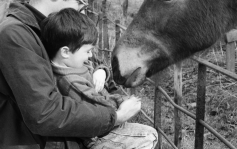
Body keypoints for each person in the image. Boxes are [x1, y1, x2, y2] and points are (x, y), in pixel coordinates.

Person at [0, 0, 157, 149]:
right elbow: (44, 113)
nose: (81, 13)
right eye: (80, 4)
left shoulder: (51, 28)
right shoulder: (15, 35)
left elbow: (87, 62)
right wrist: (114, 117)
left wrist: (101, 70)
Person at [40, 8, 157, 149]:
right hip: (99, 136)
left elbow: (93, 64)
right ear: (65, 52)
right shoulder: (72, 83)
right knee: (149, 135)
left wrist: (101, 71)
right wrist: (123, 102)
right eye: (87, 51)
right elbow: (100, 107)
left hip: (104, 126)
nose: (90, 55)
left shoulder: (74, 64)